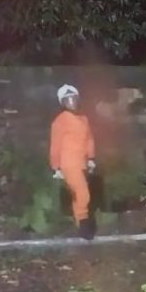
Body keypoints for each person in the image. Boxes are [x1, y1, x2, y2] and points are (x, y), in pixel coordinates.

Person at [49, 84, 97, 240]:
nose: (71, 102)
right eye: (67, 100)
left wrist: (90, 158)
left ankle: (80, 225)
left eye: (73, 98)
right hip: (69, 163)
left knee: (79, 194)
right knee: (83, 194)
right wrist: (56, 166)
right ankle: (84, 224)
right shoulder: (60, 121)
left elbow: (89, 139)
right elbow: (55, 145)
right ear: (62, 103)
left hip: (82, 162)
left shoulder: (84, 119)